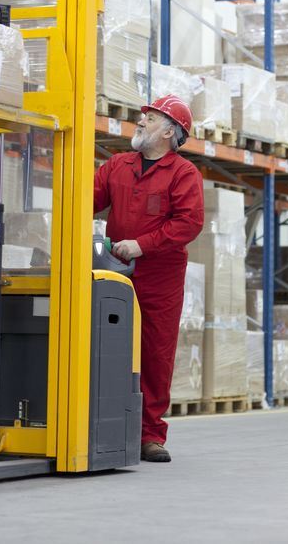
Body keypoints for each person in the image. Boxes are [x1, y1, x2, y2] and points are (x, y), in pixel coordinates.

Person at [93, 95, 204, 463]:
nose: (141, 121)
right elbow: (86, 198)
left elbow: (188, 223)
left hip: (160, 276)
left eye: (151, 118)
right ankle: (99, 423)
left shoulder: (183, 174)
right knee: (104, 344)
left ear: (170, 132)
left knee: (155, 353)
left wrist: (142, 245)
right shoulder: (117, 166)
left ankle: (150, 435)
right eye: (144, 115)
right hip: (113, 270)